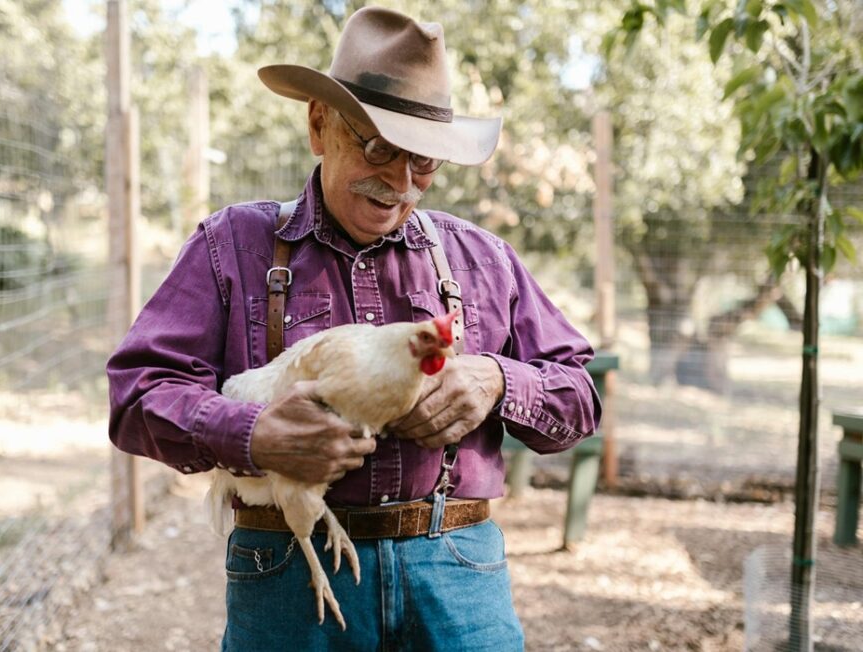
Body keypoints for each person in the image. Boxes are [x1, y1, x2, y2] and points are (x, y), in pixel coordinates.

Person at [107, 6, 600, 650]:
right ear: (319, 125)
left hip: (455, 568)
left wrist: (497, 381)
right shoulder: (235, 246)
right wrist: (255, 434)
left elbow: (581, 396)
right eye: (379, 148)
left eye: (425, 163)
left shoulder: (482, 257)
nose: (402, 183)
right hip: (290, 568)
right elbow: (137, 396)